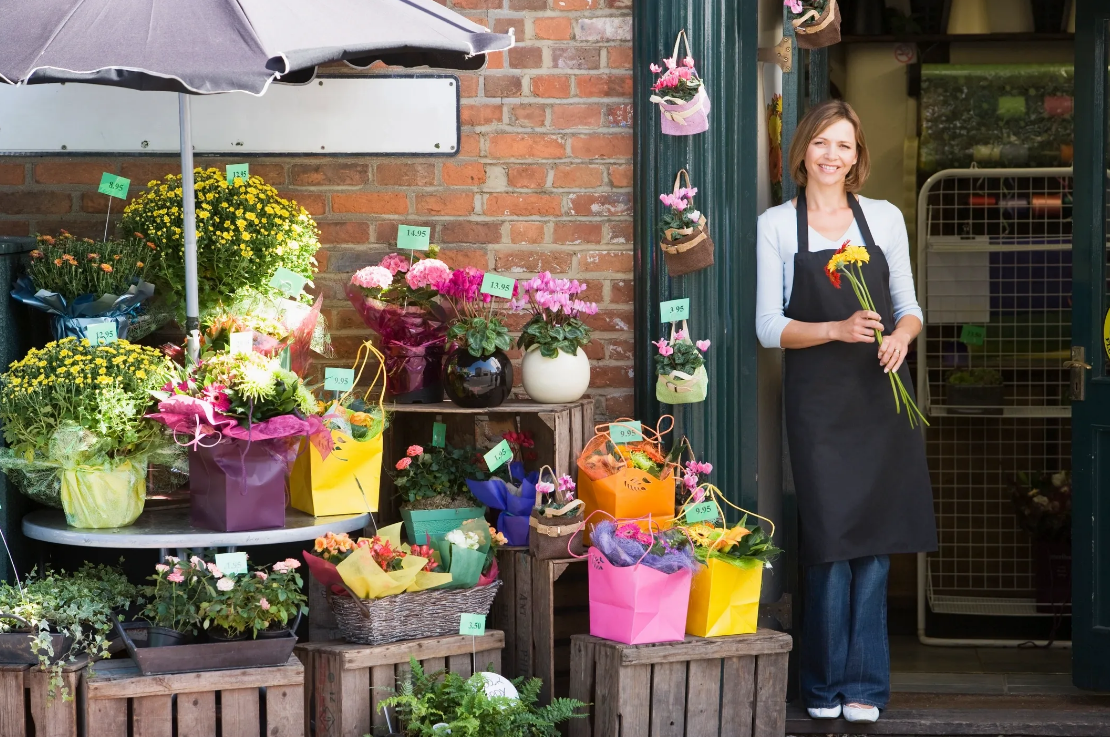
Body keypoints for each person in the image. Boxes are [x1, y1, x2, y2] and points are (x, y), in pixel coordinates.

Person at [755, 99, 937, 724]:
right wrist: (834, 328)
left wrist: (900, 337)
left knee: (876, 546)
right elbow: (766, 326)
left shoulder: (883, 219)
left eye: (845, 146)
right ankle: (822, 685)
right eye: (822, 144)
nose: (832, 156)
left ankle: (865, 687)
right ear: (803, 149)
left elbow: (910, 305)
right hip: (819, 407)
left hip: (882, 395)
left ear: (857, 157)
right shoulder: (778, 224)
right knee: (830, 545)